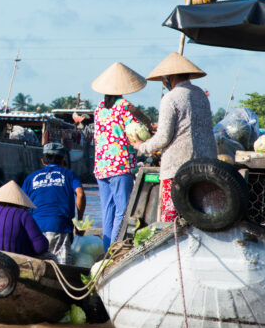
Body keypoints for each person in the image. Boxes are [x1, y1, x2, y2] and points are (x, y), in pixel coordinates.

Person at [132, 52, 217, 223]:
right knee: (200, 217)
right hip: (206, 166)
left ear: (167, 78)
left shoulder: (170, 98)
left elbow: (164, 137)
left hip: (178, 170)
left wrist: (142, 146)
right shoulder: (200, 94)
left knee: (173, 221)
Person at [91, 62, 152, 250]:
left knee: (107, 210)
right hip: (120, 165)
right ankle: (116, 248)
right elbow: (139, 131)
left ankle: (107, 249)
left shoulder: (99, 108)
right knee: (123, 210)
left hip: (101, 166)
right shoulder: (125, 107)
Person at [22, 141, 85, 263]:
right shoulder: (69, 175)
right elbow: (80, 194)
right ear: (63, 159)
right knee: (62, 267)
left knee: (37, 265)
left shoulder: (30, 178)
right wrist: (79, 222)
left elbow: (21, 203)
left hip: (34, 228)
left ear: (43, 160)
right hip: (60, 226)